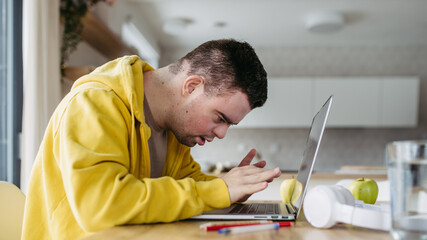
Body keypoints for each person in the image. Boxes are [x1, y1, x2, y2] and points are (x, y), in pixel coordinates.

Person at [21, 39, 281, 239]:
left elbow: (191, 186)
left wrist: (231, 189)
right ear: (192, 87)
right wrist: (219, 190)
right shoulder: (93, 103)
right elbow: (101, 209)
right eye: (220, 118)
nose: (222, 133)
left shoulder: (172, 132)